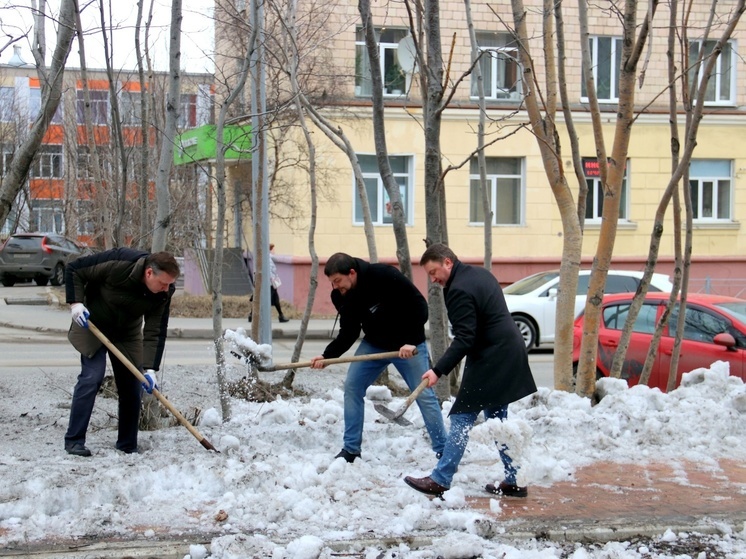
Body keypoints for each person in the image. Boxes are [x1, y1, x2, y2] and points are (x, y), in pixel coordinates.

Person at [404, 244, 537, 497]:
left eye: (434, 272)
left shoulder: (459, 289)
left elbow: (465, 338)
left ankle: (441, 479)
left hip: (492, 355)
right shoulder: (479, 274)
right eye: (429, 275)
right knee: (497, 419)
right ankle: (515, 479)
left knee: (462, 416)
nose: (433, 279)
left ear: (447, 262)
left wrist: (437, 370)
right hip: (507, 347)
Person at [310, 252, 447, 463]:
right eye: (332, 283)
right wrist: (327, 355)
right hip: (374, 345)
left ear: (352, 273)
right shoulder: (341, 295)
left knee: (424, 395)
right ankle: (351, 450)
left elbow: (420, 306)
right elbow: (349, 332)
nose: (336, 287)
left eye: (337, 280)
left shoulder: (384, 276)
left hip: (408, 346)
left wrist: (410, 340)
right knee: (352, 388)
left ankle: (444, 451)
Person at [64, 248, 180, 457]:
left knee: (131, 385)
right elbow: (75, 269)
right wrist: (76, 303)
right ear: (149, 273)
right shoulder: (119, 263)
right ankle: (74, 441)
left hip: (127, 332)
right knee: (92, 377)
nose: (166, 289)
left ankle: (127, 444)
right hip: (93, 325)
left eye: (170, 284)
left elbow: (155, 330)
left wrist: (150, 368)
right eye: (163, 283)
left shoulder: (164, 293)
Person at [249, 243, 289, 323]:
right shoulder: (267, 258)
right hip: (268, 284)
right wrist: (273, 282)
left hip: (265, 283)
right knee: (264, 300)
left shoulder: (264, 257)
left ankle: (280, 315)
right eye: (273, 249)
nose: (274, 251)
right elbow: (269, 271)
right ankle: (258, 316)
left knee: (272, 299)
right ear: (270, 250)